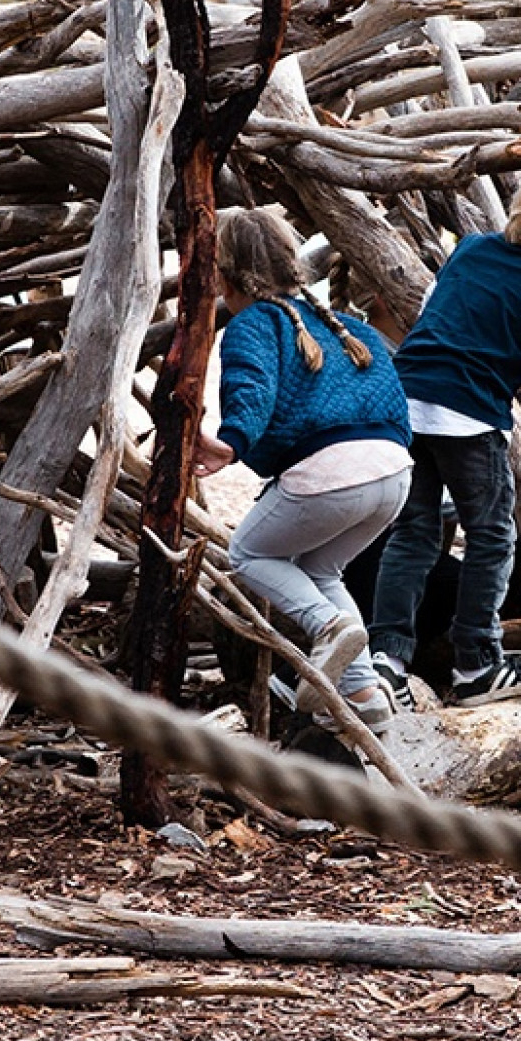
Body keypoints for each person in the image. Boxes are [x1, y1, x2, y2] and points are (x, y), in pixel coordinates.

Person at [368, 160, 521, 709]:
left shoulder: (472, 248)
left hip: (407, 401)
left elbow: (430, 311)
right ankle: (477, 662)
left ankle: (386, 657)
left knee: (413, 533)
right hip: (469, 418)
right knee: (491, 536)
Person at [196, 209, 413, 730]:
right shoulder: (348, 328)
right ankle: (364, 694)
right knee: (321, 571)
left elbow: (253, 388)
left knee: (247, 552)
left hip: (331, 475)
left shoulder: (254, 324)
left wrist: (231, 444)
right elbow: (392, 399)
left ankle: (327, 626)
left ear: (223, 278)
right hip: (394, 473)